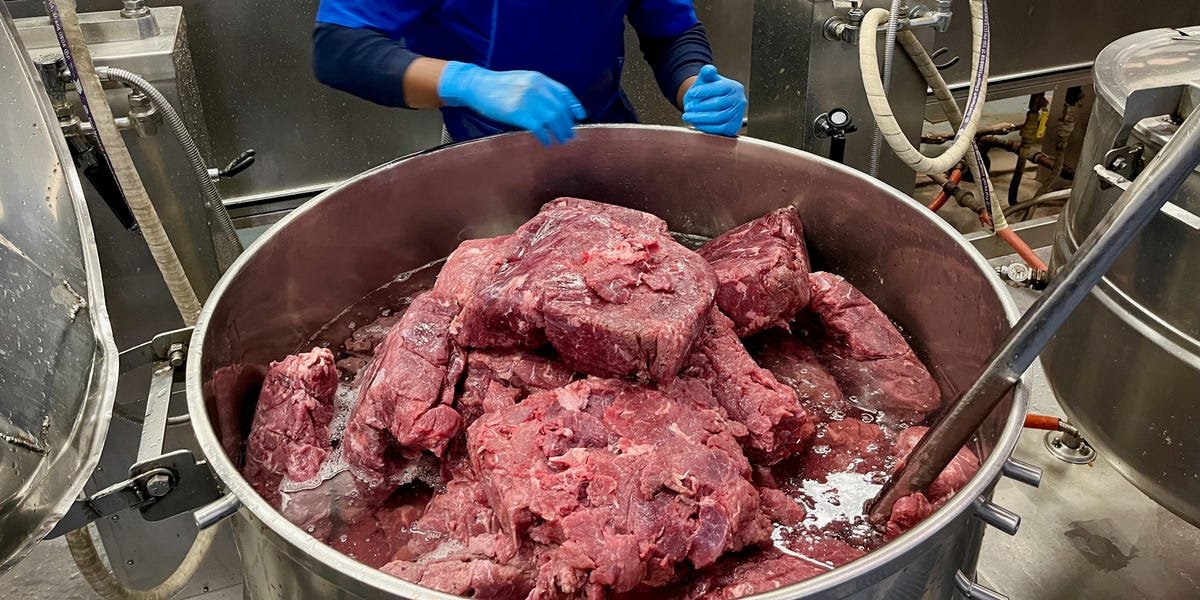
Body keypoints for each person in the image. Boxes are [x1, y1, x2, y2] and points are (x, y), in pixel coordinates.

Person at [312, 1, 747, 146]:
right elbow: (339, 46)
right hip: (480, 148)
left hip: (608, 134)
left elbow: (670, 32)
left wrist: (696, 85)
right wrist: (467, 82)